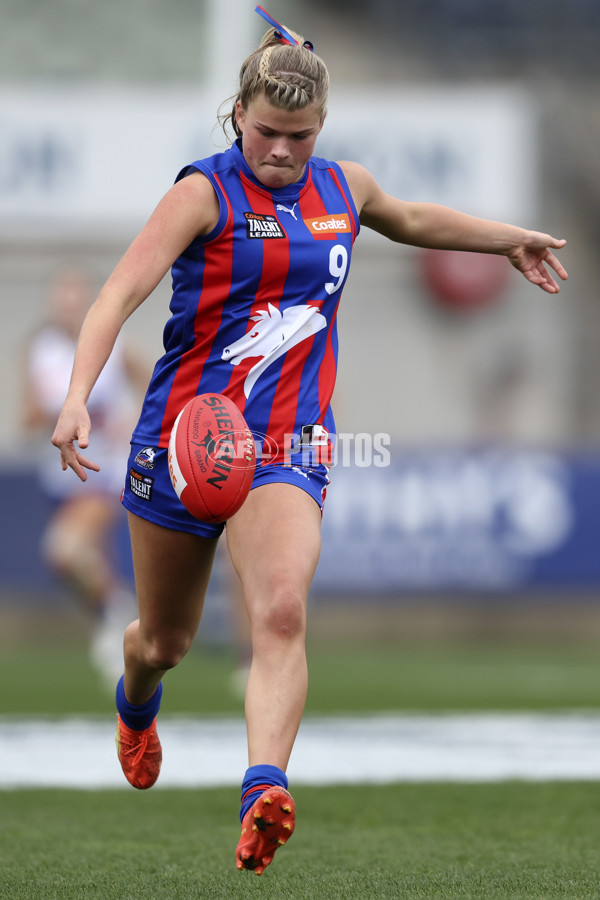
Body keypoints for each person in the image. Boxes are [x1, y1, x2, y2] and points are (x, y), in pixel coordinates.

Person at [50, 6, 568, 877]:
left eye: (299, 135)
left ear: (320, 128)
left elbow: (410, 217)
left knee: (281, 609)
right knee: (163, 642)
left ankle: (263, 788)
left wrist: (505, 237)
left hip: (287, 444)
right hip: (185, 441)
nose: (282, 151)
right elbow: (113, 299)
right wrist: (76, 397)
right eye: (266, 133)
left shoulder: (344, 189)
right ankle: (136, 702)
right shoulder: (201, 194)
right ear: (237, 118)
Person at [23, 267, 150, 688]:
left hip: (102, 471)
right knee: (86, 563)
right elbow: (28, 417)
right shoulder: (42, 352)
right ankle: (116, 627)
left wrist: (133, 420)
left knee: (64, 550)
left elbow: (154, 384)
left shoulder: (115, 347)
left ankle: (116, 617)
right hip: (62, 475)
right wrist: (55, 412)